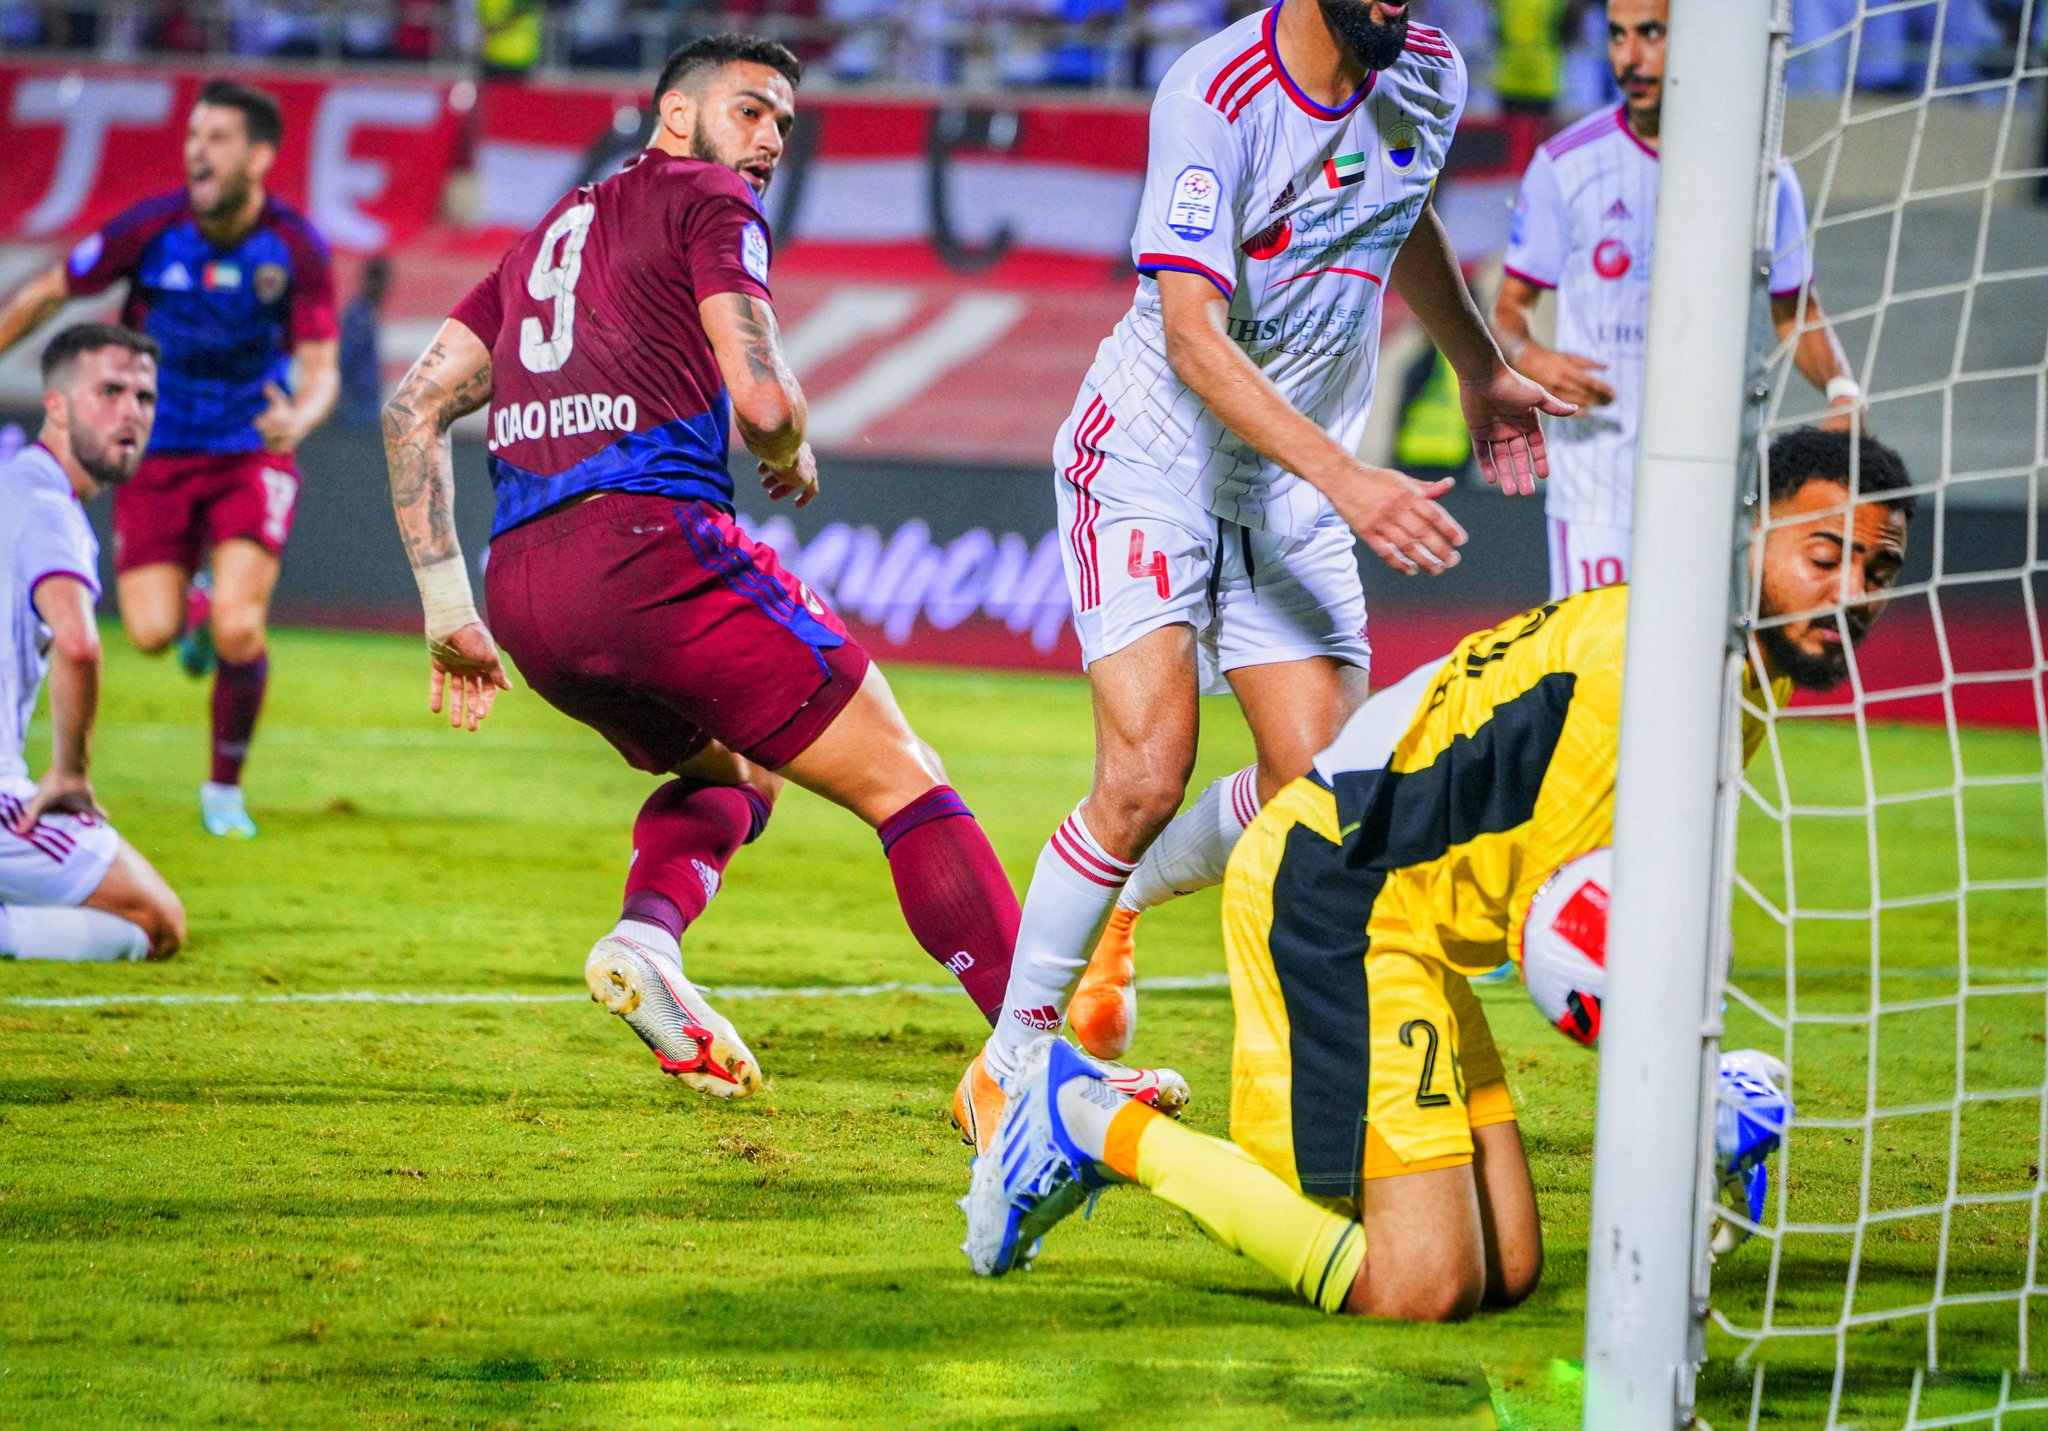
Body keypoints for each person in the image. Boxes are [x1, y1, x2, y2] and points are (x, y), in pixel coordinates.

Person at [378, 34, 1186, 1109]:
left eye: (784, 125)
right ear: (677, 117)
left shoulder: (544, 244)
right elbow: (762, 403)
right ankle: (1041, 1074)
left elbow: (411, 408)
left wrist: (447, 606)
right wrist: (788, 442)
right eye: (750, 111)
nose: (769, 141)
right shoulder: (708, 199)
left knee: (736, 775)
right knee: (905, 780)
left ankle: (647, 939)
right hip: (653, 552)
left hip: (525, 591)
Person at [964, 426, 1915, 1320]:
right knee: (1423, 1283)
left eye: (1877, 571)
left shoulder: (1731, 665)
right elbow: (1563, 945)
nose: (1852, 593)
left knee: (1509, 1267)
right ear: (1748, 532)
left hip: (1414, 920)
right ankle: (1085, 1118)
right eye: (1823, 556)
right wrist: (1696, 1098)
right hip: (1336, 894)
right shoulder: (1649, 674)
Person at [955, 0, 1573, 1145]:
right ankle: (1007, 1066)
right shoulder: (1214, 93)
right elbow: (1191, 337)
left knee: (1323, 788)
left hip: (1286, 486)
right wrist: (1347, 478)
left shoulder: (1427, 73)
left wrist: (1478, 365)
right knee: (1145, 775)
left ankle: (1128, 898)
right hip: (1153, 460)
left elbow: (1400, 213)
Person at [0, 79, 340, 840]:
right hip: (155, 453)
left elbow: (322, 364)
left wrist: (301, 415)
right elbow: (52, 291)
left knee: (242, 629)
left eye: (216, 138)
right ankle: (195, 613)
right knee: (150, 633)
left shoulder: (294, 245)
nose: (196, 151)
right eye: (192, 136)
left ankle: (223, 791)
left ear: (258, 156)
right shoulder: (152, 228)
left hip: (250, 451)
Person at [1491, 0, 1860, 602]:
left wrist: (1843, 391)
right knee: (1597, 659)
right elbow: (1509, 312)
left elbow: (1796, 310)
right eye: (1617, 36)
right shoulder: (1564, 164)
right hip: (1598, 488)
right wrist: (1532, 357)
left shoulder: (1761, 173)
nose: (1629, 57)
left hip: (1714, 481)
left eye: (1650, 34)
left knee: (1711, 660)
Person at [1, 325, 186, 965]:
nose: (131, 411)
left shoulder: (14, 483)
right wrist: (71, 774)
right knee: (157, 921)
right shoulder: (48, 507)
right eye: (110, 391)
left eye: (144, 397)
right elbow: (78, 644)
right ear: (55, 404)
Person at [339, 257, 391, 427]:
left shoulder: (367, 311)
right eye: (384, 283)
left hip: (364, 405)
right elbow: (346, 358)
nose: (386, 289)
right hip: (357, 407)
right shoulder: (360, 315)